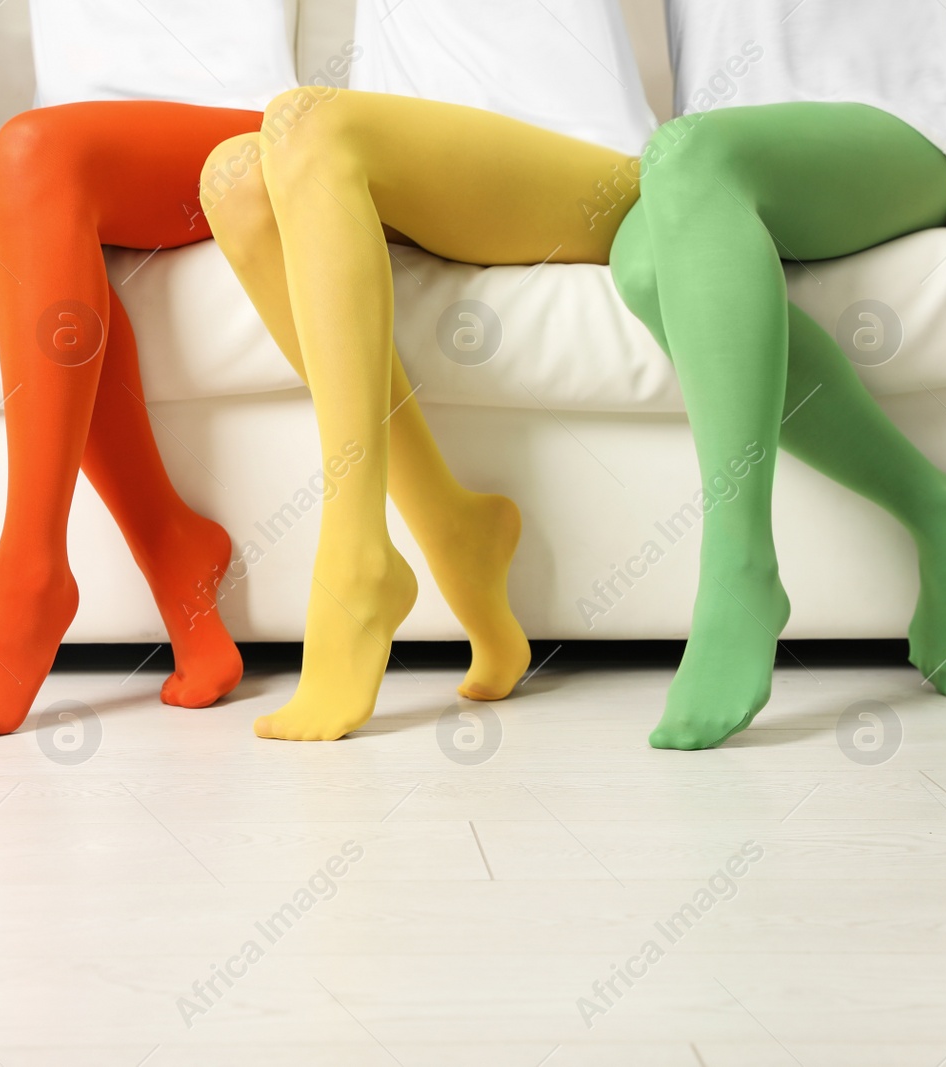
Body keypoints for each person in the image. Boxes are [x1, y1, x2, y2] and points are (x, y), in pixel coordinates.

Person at [202, 0, 660, 740]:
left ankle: (356, 562)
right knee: (232, 176)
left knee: (304, 121)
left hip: (589, 164)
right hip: (412, 159)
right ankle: (452, 526)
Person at [0, 0, 300, 741]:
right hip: (75, 138)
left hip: (248, 127)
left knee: (26, 156)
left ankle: (31, 578)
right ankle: (174, 549)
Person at [609, 0, 946, 749]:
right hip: (718, 145)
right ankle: (942, 511)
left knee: (686, 155)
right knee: (643, 268)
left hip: (893, 123)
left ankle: (739, 567)